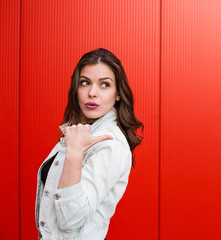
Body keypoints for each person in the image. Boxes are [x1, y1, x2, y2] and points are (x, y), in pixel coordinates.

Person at [35, 48, 143, 239]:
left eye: (104, 85)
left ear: (118, 94)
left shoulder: (109, 143)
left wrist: (75, 153)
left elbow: (71, 219)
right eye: (85, 83)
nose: (92, 93)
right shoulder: (77, 133)